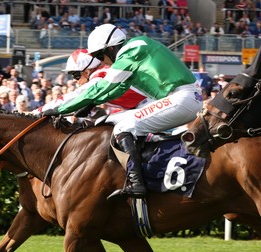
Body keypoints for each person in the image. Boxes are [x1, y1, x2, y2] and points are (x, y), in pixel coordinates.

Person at [43, 24, 203, 199]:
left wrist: (62, 109)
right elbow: (118, 89)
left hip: (181, 98)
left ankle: (136, 183)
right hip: (181, 98)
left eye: (99, 55)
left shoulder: (131, 52)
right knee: (108, 121)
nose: (102, 61)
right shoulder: (135, 48)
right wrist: (90, 104)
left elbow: (105, 85)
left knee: (123, 128)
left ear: (111, 48)